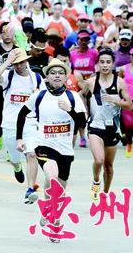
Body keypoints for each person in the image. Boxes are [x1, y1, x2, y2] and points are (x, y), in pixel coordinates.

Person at [16, 59, 86, 231]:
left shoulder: (73, 96)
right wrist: (19, 138)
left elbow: (83, 122)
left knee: (60, 192)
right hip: (44, 145)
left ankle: (52, 215)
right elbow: (21, 114)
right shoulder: (39, 96)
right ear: (47, 77)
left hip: (65, 149)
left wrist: (70, 110)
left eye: (60, 73)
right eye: (53, 73)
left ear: (65, 77)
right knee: (52, 177)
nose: (57, 76)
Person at [0, 48, 45, 203]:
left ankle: (30, 189)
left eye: (21, 62)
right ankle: (17, 166)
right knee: (15, 158)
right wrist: (7, 62)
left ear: (26, 61)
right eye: (15, 63)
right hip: (10, 125)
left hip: (29, 123)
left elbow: (44, 99)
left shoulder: (36, 79)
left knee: (32, 154)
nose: (19, 66)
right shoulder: (9, 76)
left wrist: (37, 94)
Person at [82, 49, 133, 201]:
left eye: (108, 62)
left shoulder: (119, 82)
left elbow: (129, 105)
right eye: (102, 62)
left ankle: (104, 194)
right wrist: (85, 112)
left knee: (109, 167)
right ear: (98, 64)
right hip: (95, 127)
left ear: (113, 64)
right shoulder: (91, 82)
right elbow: (81, 95)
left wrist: (115, 100)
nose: (105, 65)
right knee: (99, 160)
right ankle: (96, 181)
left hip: (112, 129)